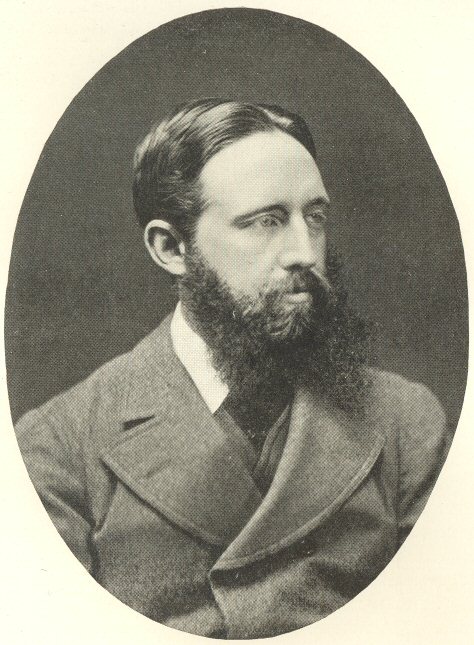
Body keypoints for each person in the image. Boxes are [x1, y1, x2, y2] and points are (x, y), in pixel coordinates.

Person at [15, 98, 450, 639]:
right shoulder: (59, 448)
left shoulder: (406, 423)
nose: (304, 252)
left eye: (314, 217)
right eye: (266, 221)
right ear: (171, 248)